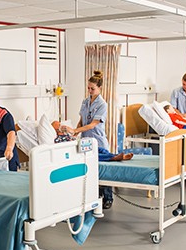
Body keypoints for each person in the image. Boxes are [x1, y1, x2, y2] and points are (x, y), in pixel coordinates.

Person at [61, 70, 120, 209]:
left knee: (102, 170)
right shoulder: (85, 102)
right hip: (86, 141)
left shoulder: (102, 104)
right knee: (90, 170)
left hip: (98, 141)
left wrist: (75, 130)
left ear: (100, 88)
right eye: (88, 88)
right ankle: (94, 196)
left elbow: (93, 124)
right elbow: (82, 119)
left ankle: (108, 197)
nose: (89, 90)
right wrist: (75, 133)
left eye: (92, 88)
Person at [53, 121, 133, 161]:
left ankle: (116, 155)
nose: (62, 126)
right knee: (95, 155)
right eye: (59, 125)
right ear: (56, 129)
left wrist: (74, 134)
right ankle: (113, 158)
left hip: (83, 146)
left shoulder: (68, 135)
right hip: (77, 152)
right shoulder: (58, 139)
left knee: (102, 150)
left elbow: (76, 137)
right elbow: (64, 148)